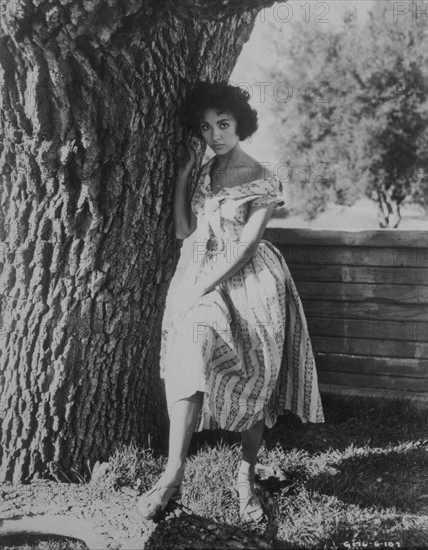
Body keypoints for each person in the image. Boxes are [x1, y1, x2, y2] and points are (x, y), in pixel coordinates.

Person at [137, 81, 324, 523]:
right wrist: (184, 177)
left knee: (257, 366)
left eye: (223, 124)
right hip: (202, 274)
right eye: (206, 127)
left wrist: (205, 285)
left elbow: (244, 247)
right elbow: (185, 231)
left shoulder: (262, 176)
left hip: (251, 278)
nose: (215, 135)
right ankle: (172, 474)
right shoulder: (203, 172)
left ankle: (246, 475)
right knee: (190, 346)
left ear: (240, 124)